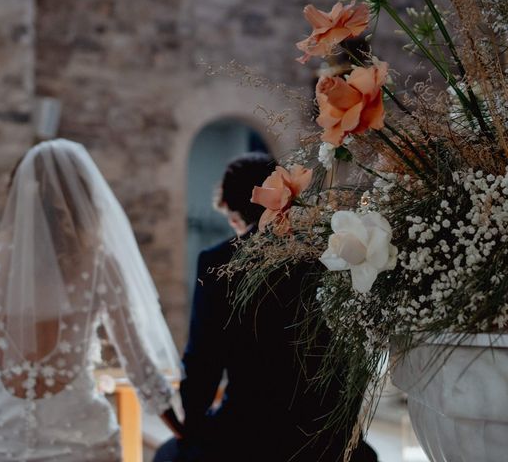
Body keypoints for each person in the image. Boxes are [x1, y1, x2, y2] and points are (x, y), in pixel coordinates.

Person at [0, 139, 183, 462]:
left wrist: (1, 419)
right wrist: (179, 427)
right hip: (78, 436)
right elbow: (137, 363)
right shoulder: (99, 265)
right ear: (80, 198)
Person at [154, 152, 378, 461]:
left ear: (232, 211)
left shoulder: (219, 261)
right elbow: (353, 350)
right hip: (323, 435)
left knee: (169, 455)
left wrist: (193, 424)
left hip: (248, 433)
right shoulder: (325, 253)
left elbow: (203, 359)